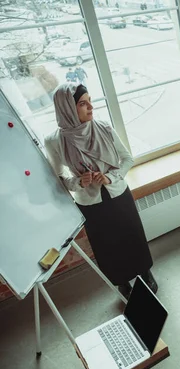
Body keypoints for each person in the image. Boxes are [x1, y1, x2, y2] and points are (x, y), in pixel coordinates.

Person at [45, 83, 157, 299]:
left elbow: (127, 159)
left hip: (117, 193)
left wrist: (110, 177)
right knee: (107, 246)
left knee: (132, 235)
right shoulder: (54, 141)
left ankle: (145, 273)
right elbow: (58, 178)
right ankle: (121, 282)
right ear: (67, 108)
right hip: (90, 203)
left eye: (90, 101)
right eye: (82, 103)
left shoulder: (103, 127)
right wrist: (79, 182)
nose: (90, 107)